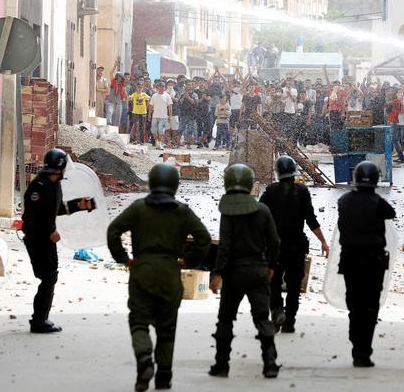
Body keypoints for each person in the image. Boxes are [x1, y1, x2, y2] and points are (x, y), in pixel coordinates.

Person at [107, 164, 212, 391]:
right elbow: (203, 238)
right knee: (167, 328)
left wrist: (123, 259)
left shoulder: (138, 208)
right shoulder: (182, 211)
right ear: (175, 184)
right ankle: (164, 377)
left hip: (142, 271)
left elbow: (113, 230)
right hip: (169, 272)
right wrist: (189, 261)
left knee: (139, 322)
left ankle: (144, 360)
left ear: (152, 182)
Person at [209, 164, 281, 379]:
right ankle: (269, 362)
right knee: (262, 317)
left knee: (225, 319)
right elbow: (275, 242)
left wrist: (218, 273)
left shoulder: (228, 211)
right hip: (258, 271)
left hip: (233, 273)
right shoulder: (263, 210)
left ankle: (222, 365)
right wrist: (271, 266)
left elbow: (225, 246)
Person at [21, 148, 93, 334]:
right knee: (48, 277)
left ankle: (41, 319)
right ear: (59, 167)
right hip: (37, 238)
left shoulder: (54, 185)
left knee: (50, 276)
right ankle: (38, 321)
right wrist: (50, 230)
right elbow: (33, 216)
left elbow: (57, 209)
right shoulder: (38, 187)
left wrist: (80, 205)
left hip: (46, 238)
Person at [259, 156, 329, 334]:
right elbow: (311, 220)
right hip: (296, 246)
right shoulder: (302, 191)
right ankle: (289, 321)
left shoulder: (269, 191)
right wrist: (323, 241)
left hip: (274, 247)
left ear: (277, 173)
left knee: (273, 282)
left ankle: (276, 313)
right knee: (294, 285)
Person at [336, 161, 396, 367]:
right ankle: (364, 352)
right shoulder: (379, 203)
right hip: (373, 262)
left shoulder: (343, 201)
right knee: (370, 306)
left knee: (354, 305)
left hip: (350, 261)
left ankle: (356, 347)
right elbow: (391, 213)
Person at [149, 83, 173, 150]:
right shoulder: (154, 95)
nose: (161, 88)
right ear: (157, 87)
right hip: (155, 116)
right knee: (153, 130)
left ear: (164, 88)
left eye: (162, 86)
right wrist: (149, 114)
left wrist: (170, 116)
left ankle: (159, 143)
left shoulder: (167, 96)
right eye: (160, 86)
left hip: (163, 117)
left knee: (160, 131)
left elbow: (170, 106)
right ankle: (157, 141)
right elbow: (151, 105)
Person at [386, 90, 404, 164]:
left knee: (394, 140)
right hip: (393, 121)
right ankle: (399, 157)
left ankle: (401, 157)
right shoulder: (396, 102)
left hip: (393, 122)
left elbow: (388, 107)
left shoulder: (396, 102)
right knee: (394, 140)